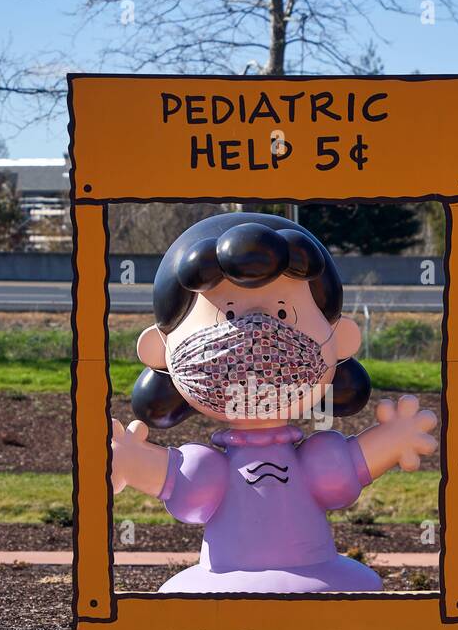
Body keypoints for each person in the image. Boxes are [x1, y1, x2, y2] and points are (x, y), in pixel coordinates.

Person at [112, 212, 436, 592]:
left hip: (320, 571)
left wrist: (395, 440)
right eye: (227, 313)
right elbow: (191, 488)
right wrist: (130, 462)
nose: (257, 333)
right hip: (227, 577)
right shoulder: (208, 466)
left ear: (341, 341)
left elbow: (336, 476)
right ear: (158, 349)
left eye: (283, 313)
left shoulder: (316, 456)